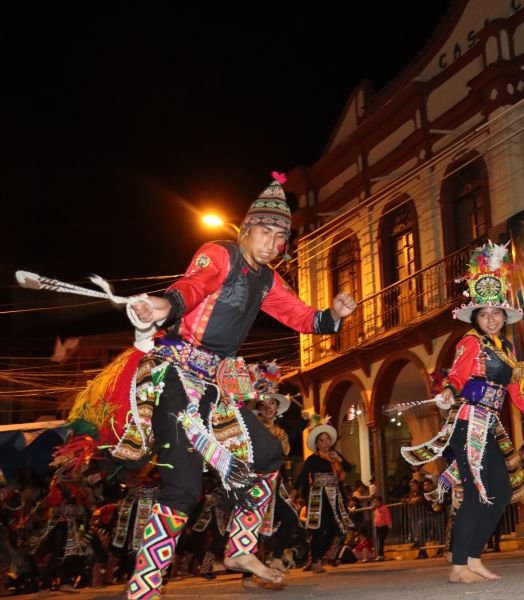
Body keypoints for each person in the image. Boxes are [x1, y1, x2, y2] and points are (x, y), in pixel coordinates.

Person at [109, 173, 355, 599]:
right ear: (246, 230)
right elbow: (194, 285)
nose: (273, 241)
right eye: (265, 230)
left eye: (281, 235)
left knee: (268, 453)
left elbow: (302, 317)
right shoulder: (219, 253)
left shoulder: (267, 280)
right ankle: (143, 591)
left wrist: (333, 315)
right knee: (182, 487)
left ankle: (241, 549)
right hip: (174, 378)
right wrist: (166, 304)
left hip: (212, 388)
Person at [401, 242, 524, 583]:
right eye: (484, 314)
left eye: (496, 313)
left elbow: (519, 397)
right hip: (467, 422)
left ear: (504, 317)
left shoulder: (506, 350)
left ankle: (472, 558)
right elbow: (458, 373)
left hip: (488, 426)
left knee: (501, 492)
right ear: (475, 318)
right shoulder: (471, 342)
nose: (491, 319)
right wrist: (448, 389)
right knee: (480, 491)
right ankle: (459, 566)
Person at [241, 362, 300, 589]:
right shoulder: (254, 426)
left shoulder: (281, 432)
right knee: (253, 526)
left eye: (272, 402)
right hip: (255, 481)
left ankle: (275, 559)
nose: (268, 406)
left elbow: (285, 449)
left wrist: (304, 421)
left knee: (289, 518)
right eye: (264, 403)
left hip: (274, 484)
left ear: (277, 407)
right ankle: (246, 576)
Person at [295, 415, 354, 574]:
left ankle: (317, 558)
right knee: (319, 529)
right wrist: (294, 492)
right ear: (317, 443)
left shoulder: (335, 457)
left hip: (335, 496)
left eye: (327, 439)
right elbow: (302, 476)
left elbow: (348, 469)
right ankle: (315, 562)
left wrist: (339, 458)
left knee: (338, 529)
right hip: (317, 497)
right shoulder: (313, 459)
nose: (325, 442)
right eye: (321, 440)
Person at [371, 496, 391, 561]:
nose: (375, 503)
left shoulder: (384, 508)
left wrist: (389, 524)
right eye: (374, 502)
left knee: (381, 540)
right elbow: (376, 517)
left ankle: (380, 554)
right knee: (379, 540)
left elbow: (387, 516)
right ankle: (380, 554)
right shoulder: (375, 509)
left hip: (383, 526)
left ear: (380, 501)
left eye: (376, 502)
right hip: (378, 526)